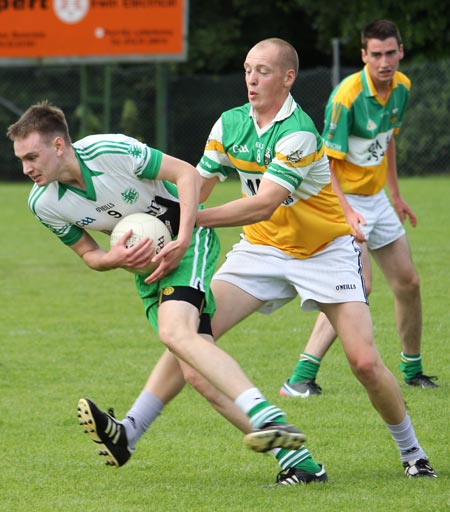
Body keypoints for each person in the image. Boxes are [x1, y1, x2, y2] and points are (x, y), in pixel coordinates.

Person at [67, 37, 437, 481]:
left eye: (262, 70)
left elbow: (264, 203)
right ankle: (130, 431)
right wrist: (164, 226)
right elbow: (196, 187)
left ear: (287, 77)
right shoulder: (229, 125)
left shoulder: (298, 130)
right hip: (261, 249)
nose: (251, 79)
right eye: (247, 69)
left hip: (325, 251)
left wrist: (191, 222)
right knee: (192, 339)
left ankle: (412, 452)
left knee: (363, 362)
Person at [7, 100, 314, 485]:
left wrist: (184, 238)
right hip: (147, 270)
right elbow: (89, 254)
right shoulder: (43, 203)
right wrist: (115, 258)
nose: (26, 168)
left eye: (32, 156)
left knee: (175, 334)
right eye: (21, 160)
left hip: (188, 244)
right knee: (197, 374)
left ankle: (261, 411)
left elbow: (185, 174)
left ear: (58, 146)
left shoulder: (110, 150)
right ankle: (299, 461)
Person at [280, 19, 438, 399]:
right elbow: (326, 165)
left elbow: (387, 143)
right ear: (364, 56)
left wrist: (396, 195)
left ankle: (413, 370)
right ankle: (299, 378)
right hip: (339, 199)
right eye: (376, 55)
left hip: (377, 199)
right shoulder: (345, 98)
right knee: (358, 286)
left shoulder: (402, 87)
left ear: (400, 51)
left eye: (390, 53)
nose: (384, 62)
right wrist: (347, 213)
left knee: (408, 283)